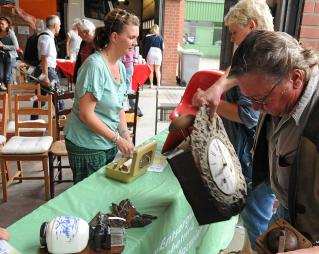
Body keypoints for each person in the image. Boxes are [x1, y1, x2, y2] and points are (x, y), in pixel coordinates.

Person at [199, 30, 319, 254]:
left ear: (295, 78)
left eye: (260, 98)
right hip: (287, 211)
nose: (254, 108)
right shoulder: (277, 76)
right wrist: (220, 86)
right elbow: (241, 73)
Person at [194, 1, 275, 253]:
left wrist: (210, 106)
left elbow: (249, 115)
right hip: (258, 156)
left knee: (257, 220)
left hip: (254, 159)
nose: (231, 38)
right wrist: (214, 91)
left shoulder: (258, 61)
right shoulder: (254, 55)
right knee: (255, 216)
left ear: (252, 26)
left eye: (234, 32)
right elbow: (232, 74)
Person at [64, 8, 138, 183]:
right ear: (114, 37)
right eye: (131, 37)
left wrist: (125, 135)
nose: (135, 42)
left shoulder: (119, 66)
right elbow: (86, 114)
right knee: (89, 198)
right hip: (87, 145)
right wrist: (117, 139)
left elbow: (118, 106)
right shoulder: (95, 66)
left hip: (105, 143)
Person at [31, 15, 63, 120]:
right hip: (46, 71)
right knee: (59, 95)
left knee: (39, 97)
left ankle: (34, 121)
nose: (60, 27)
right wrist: (45, 76)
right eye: (59, 25)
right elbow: (44, 58)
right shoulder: (46, 37)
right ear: (54, 25)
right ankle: (60, 119)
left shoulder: (48, 36)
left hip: (45, 70)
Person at [121, 48, 143, 116]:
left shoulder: (126, 47)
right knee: (128, 87)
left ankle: (137, 111)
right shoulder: (132, 48)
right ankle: (135, 110)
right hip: (130, 66)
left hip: (127, 66)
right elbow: (135, 57)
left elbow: (123, 58)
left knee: (127, 90)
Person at [73, 19, 96, 83]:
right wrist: (75, 78)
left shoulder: (97, 43)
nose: (78, 34)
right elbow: (79, 60)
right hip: (84, 77)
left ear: (86, 32)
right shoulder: (83, 42)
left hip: (93, 78)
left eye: (79, 32)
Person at [0, 16, 19, 90]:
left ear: (7, 24)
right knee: (1, 75)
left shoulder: (11, 33)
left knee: (8, 76)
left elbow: (16, 47)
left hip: (10, 57)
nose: (0, 25)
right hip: (1, 56)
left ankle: (10, 94)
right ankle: (5, 87)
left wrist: (3, 46)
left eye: (2, 24)